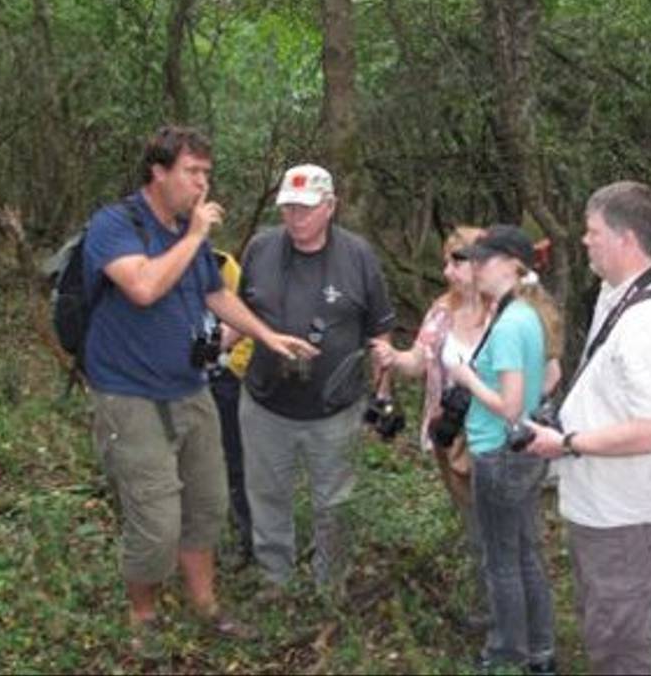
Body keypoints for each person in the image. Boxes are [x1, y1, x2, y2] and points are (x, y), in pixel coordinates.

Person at [82, 126, 318, 647]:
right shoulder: (115, 225)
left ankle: (206, 604)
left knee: (208, 503)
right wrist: (192, 238)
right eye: (192, 172)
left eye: (207, 174)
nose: (202, 185)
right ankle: (143, 617)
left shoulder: (187, 233)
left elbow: (215, 295)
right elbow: (143, 287)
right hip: (129, 395)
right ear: (158, 172)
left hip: (191, 389)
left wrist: (267, 335)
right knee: (156, 521)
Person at [528, 181, 651, 675]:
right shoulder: (615, 294)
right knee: (604, 631)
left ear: (625, 238)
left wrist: (568, 443)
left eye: (593, 231)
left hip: (624, 515)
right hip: (601, 507)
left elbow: (648, 431)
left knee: (622, 645)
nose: (585, 240)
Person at [238, 164, 395, 596]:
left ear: (330, 207)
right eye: (288, 207)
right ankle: (276, 580)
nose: (295, 218)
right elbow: (240, 313)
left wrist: (383, 396)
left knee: (334, 502)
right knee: (268, 496)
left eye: (305, 209)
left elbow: (379, 330)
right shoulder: (260, 248)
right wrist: (212, 349)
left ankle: (332, 585)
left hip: (336, 408)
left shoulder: (358, 256)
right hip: (266, 402)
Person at [447, 224, 562, 673]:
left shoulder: (513, 322)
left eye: (485, 260)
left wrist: (467, 377)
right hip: (518, 452)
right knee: (525, 553)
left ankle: (507, 653)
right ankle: (541, 650)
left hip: (499, 452)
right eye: (472, 259)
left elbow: (511, 406)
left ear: (514, 264)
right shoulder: (521, 313)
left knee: (502, 562)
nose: (475, 268)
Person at [369, 226, 492, 625]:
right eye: (445, 261)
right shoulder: (441, 310)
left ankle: (509, 616)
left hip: (493, 437)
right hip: (449, 435)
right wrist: (392, 357)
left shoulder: (507, 310)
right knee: (474, 526)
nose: (447, 271)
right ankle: (486, 604)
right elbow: (418, 360)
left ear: (480, 263)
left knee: (500, 527)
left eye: (456, 261)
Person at [208, 249, 255, 568]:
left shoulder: (221, 267)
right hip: (177, 384)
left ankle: (248, 540)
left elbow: (250, 317)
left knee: (235, 462)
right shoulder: (151, 263)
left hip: (225, 381)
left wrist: (233, 369)